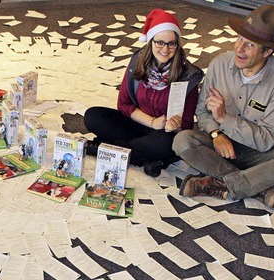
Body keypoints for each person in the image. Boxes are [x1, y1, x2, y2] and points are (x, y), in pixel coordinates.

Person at [173, 5, 274, 209]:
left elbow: (266, 140)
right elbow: (202, 111)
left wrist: (224, 119)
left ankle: (220, 183)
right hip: (218, 145)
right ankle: (257, 186)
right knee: (182, 140)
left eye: (249, 45)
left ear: (268, 51)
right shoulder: (219, 64)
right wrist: (215, 133)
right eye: (239, 39)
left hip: (257, 153)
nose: (239, 49)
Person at [84, 9, 204, 177]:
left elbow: (187, 124)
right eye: (159, 42)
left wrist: (175, 126)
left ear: (178, 44)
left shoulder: (189, 75)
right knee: (93, 116)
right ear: (151, 41)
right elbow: (124, 104)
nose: (165, 49)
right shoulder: (138, 61)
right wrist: (152, 121)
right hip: (138, 123)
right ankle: (144, 158)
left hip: (162, 134)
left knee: (167, 145)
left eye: (171, 43)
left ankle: (106, 148)